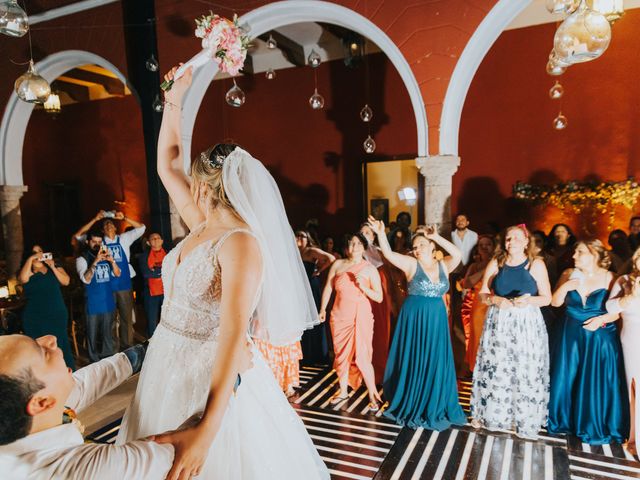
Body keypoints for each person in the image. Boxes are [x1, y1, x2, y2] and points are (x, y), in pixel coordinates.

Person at [116, 65, 329, 480]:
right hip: (166, 363)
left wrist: (206, 430)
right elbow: (165, 163)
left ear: (204, 185)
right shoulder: (201, 224)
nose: (184, 182)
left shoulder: (240, 243)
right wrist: (175, 98)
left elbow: (233, 334)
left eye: (192, 178)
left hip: (209, 378)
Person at [0, 334, 173, 478]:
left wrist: (147, 349)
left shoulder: (27, 417)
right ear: (42, 403)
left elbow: (90, 381)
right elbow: (183, 452)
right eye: (43, 352)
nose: (50, 338)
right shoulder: (85, 469)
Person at [368, 217, 466, 430]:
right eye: (415, 246)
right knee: (415, 356)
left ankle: (434, 399)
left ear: (432, 247)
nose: (417, 248)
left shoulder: (443, 265)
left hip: (437, 318)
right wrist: (381, 233)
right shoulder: (411, 264)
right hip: (414, 317)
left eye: (422, 244)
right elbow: (388, 254)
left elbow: (458, 254)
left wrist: (436, 236)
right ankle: (413, 399)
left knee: (435, 358)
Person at [470, 225, 551, 439]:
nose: (511, 242)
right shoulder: (497, 262)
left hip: (527, 322)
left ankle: (524, 418)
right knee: (497, 366)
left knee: (525, 368)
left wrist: (529, 300)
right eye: (507, 239)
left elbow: (547, 298)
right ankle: (490, 414)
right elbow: (483, 293)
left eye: (516, 238)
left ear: (526, 241)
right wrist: (494, 299)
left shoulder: (536, 264)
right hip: (499, 320)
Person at [548, 240, 629, 445]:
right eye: (575, 251)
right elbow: (555, 302)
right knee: (567, 376)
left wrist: (601, 320)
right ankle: (563, 421)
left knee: (594, 379)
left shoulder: (610, 277)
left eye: (580, 252)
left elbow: (617, 312)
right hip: (569, 334)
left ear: (594, 254)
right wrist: (567, 286)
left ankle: (592, 424)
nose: (574, 256)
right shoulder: (568, 273)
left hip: (599, 336)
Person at [319, 232, 383, 409]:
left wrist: (363, 287)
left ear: (364, 247)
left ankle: (372, 394)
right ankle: (343, 390)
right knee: (341, 354)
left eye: (357, 244)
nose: (353, 247)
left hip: (360, 315)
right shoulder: (338, 264)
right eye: (350, 243)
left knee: (363, 355)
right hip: (339, 316)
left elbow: (379, 297)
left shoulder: (370, 269)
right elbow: (328, 288)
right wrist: (322, 309)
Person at [73, 211, 146, 351]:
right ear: (102, 230)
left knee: (126, 319)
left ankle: (127, 347)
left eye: (111, 224)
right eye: (105, 224)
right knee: (111, 321)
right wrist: (95, 218)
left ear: (116, 228)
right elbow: (78, 236)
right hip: (107, 287)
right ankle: (112, 349)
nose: (108, 225)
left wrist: (124, 217)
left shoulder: (124, 238)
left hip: (124, 284)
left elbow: (142, 228)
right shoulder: (99, 242)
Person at [606, 247, 640, 456]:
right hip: (631, 340)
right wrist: (627, 298)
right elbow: (609, 308)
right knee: (634, 388)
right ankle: (635, 438)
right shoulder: (624, 280)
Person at [18, 245, 75, 369]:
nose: (38, 254)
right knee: (39, 348)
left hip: (56, 314)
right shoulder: (27, 271)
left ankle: (68, 372)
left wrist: (53, 266)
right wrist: (31, 259)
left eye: (40, 251)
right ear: (29, 256)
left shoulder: (54, 266)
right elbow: (22, 279)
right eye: (34, 252)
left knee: (61, 343)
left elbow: (66, 281)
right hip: (35, 317)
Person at [76, 230, 121, 363]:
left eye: (99, 242)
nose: (97, 244)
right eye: (94, 242)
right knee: (92, 333)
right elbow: (86, 279)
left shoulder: (107, 256)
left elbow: (117, 273)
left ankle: (108, 358)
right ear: (87, 242)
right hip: (92, 302)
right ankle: (94, 360)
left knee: (108, 332)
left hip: (107, 300)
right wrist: (95, 262)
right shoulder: (82, 258)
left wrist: (112, 261)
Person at [296, 230, 336, 365]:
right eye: (298, 235)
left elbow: (331, 258)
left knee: (313, 317)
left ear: (308, 239)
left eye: (303, 236)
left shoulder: (311, 251)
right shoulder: (294, 251)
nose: (300, 238)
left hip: (311, 286)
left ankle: (318, 354)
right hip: (299, 287)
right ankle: (305, 353)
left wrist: (319, 270)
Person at [360, 222, 393, 383]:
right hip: (361, 291)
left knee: (379, 328)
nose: (365, 234)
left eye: (368, 232)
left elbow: (389, 275)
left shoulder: (380, 252)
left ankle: (379, 369)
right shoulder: (356, 252)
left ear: (373, 236)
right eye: (362, 232)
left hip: (378, 289)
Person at [461, 235, 495, 373]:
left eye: (488, 244)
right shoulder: (475, 266)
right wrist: (486, 268)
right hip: (478, 306)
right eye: (481, 245)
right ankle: (477, 369)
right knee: (477, 337)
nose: (485, 247)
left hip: (494, 304)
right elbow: (466, 283)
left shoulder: (501, 263)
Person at [138, 232, 167, 337]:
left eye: (158, 238)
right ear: (148, 243)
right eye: (153, 238)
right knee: (152, 320)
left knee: (167, 318)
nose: (156, 240)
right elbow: (147, 273)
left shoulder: (169, 254)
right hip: (150, 293)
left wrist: (155, 270)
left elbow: (173, 270)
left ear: (162, 241)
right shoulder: (143, 257)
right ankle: (152, 342)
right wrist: (163, 271)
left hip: (167, 292)